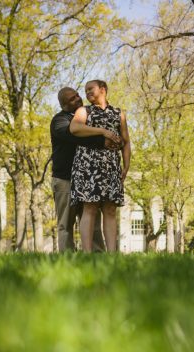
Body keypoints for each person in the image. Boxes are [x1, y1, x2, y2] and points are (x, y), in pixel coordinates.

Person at [50, 86, 121, 252]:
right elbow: (73, 135)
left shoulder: (89, 116)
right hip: (65, 179)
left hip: (87, 178)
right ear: (63, 105)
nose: (78, 99)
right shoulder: (60, 121)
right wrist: (103, 140)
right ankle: (68, 257)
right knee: (66, 223)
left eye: (76, 95)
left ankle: (96, 255)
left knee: (92, 220)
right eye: (72, 99)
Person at [69, 80, 131, 252]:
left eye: (91, 89)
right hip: (88, 164)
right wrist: (103, 131)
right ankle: (87, 254)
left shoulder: (119, 114)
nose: (87, 93)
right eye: (86, 90)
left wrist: (126, 167)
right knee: (89, 207)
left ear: (102, 90)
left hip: (111, 166)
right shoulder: (84, 111)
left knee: (110, 209)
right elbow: (74, 128)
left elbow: (126, 143)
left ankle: (112, 255)